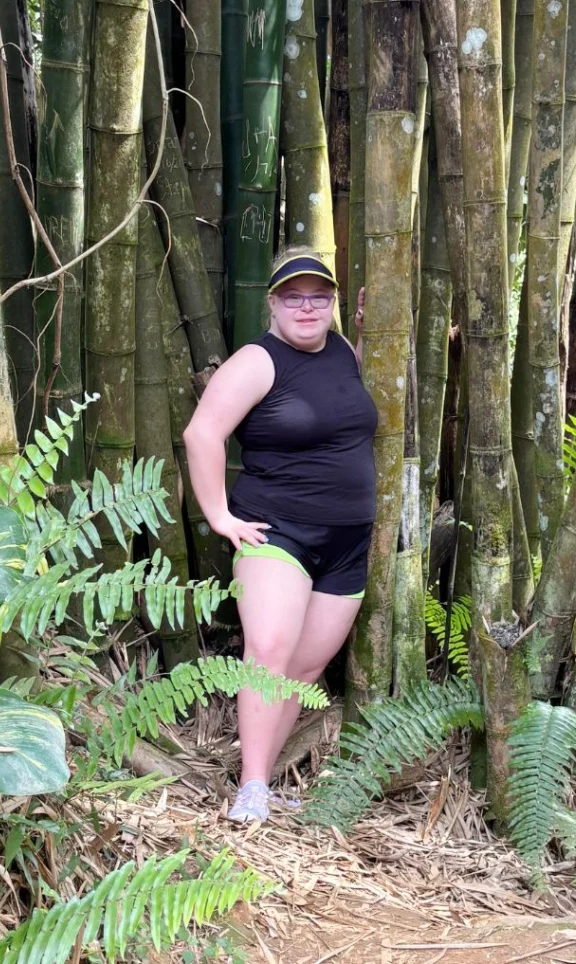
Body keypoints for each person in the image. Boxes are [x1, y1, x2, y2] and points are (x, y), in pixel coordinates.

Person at [182, 246, 377, 824]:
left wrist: (368, 334)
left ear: (334, 303)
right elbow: (202, 435)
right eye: (294, 296)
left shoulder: (341, 349)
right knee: (267, 652)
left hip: (347, 542)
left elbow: (343, 400)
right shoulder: (257, 360)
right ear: (272, 303)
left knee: (307, 668)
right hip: (278, 534)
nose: (307, 306)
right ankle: (251, 789)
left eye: (320, 295)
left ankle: (264, 780)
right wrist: (219, 514)